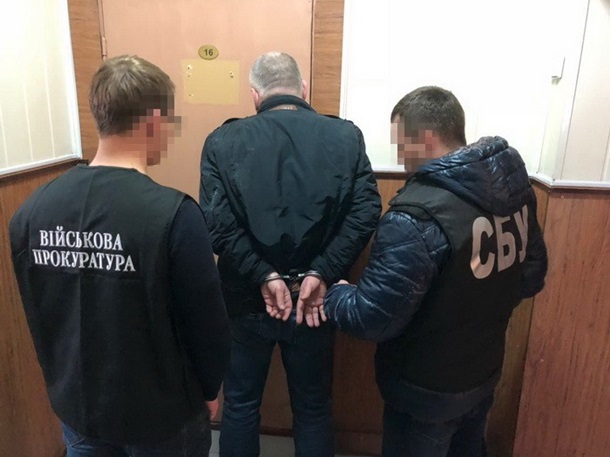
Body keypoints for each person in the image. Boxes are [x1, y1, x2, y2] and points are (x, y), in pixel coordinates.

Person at [9, 55, 231, 457]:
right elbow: (207, 322)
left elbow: (41, 316)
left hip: (78, 406)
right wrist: (210, 386)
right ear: (154, 121)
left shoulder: (30, 213)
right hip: (162, 415)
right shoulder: (174, 215)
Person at [324, 86, 548, 457]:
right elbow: (532, 276)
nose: (400, 158)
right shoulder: (513, 192)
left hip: (424, 391)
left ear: (426, 139)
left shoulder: (414, 216)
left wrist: (336, 293)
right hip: (483, 372)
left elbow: (372, 319)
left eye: (402, 145)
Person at [199, 51, 381, 456]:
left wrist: (263, 275)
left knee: (240, 405)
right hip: (313, 300)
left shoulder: (222, 141)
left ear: (254, 95)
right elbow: (367, 211)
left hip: (246, 298)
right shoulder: (345, 136)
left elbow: (216, 225)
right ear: (303, 89)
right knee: (313, 408)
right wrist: (321, 272)